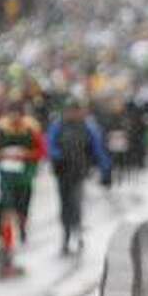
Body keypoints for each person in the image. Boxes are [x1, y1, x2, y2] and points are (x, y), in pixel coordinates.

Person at [46, 96, 111, 255]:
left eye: (75, 110)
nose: (72, 113)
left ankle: (77, 232)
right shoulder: (58, 126)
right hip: (62, 172)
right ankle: (66, 235)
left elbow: (98, 148)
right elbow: (50, 145)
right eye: (70, 110)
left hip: (79, 171)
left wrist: (105, 169)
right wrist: (58, 156)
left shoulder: (88, 127)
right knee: (65, 204)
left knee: (76, 202)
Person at [0, 100, 45, 276]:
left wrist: (25, 154)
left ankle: (22, 226)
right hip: (7, 177)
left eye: (17, 113)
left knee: (22, 212)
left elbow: (42, 152)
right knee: (7, 212)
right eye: (11, 113)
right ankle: (8, 246)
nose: (13, 117)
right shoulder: (2, 129)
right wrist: (0, 154)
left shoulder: (31, 129)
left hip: (24, 178)